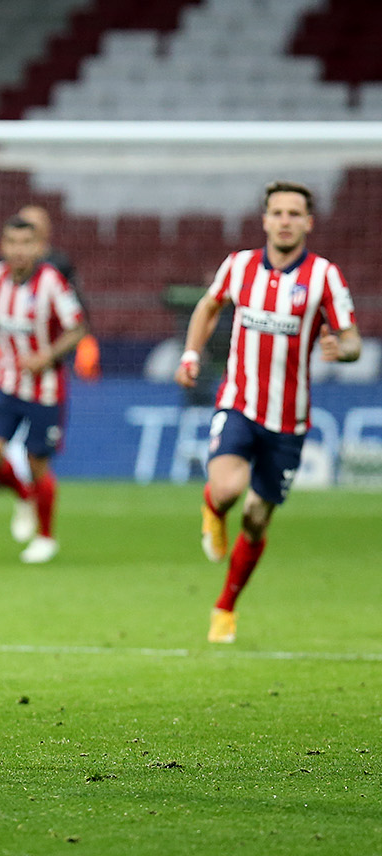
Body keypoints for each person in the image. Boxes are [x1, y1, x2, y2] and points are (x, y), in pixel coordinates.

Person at [175, 180, 359, 644]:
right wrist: (191, 354)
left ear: (308, 223)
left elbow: (352, 337)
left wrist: (344, 348)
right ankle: (213, 507)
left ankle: (225, 607)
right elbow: (209, 305)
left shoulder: (324, 276)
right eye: (277, 212)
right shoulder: (238, 266)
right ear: (265, 219)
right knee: (228, 487)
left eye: (294, 214)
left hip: (290, 420)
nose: (285, 220)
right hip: (238, 402)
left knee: (258, 518)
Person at [0, 216, 88, 564]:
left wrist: (47, 356)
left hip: (45, 390)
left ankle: (45, 537)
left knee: (36, 461)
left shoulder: (52, 283)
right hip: (8, 383)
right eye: (12, 243)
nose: (19, 250)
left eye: (27, 244)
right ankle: (24, 496)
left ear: (40, 248)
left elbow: (77, 328)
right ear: (3, 246)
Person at [17, 205, 100, 382]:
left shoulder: (59, 263)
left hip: (53, 345)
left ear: (46, 232)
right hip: (15, 348)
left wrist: (85, 340)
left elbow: (78, 305)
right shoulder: (1, 269)